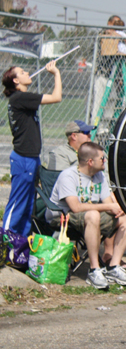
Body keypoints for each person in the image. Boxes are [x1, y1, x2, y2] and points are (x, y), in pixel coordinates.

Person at [46, 142, 126, 289]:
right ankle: (94, 269)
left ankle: (113, 266)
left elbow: (108, 203)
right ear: (90, 162)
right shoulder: (68, 176)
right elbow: (75, 207)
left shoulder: (99, 175)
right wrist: (108, 206)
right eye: (102, 158)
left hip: (89, 216)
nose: (104, 161)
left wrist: (118, 209)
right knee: (93, 215)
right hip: (63, 217)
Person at [2, 62, 63, 237]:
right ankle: (4, 242)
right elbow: (56, 97)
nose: (27, 72)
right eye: (22, 72)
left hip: (31, 159)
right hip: (24, 160)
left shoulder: (22, 98)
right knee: (17, 204)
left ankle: (19, 244)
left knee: (28, 205)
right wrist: (56, 73)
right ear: (15, 80)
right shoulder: (19, 97)